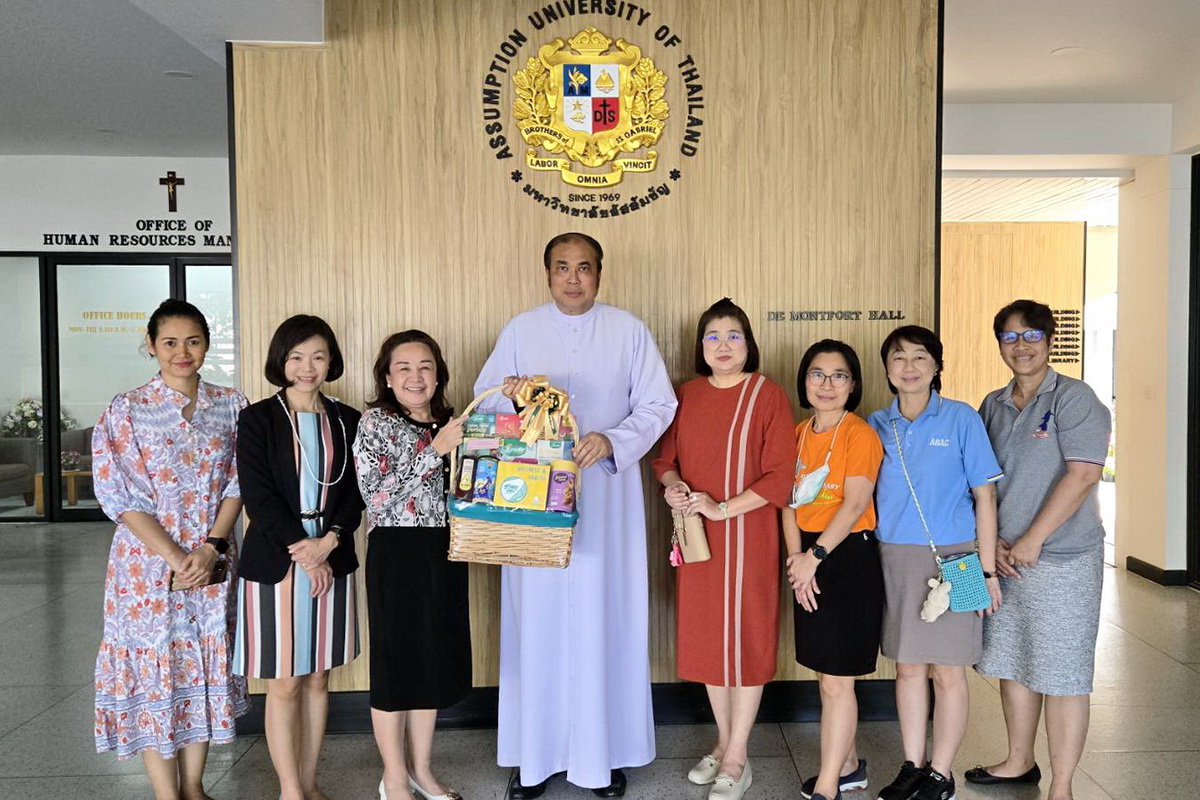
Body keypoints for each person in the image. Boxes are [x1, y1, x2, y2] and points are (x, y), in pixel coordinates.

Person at [474, 232, 677, 799]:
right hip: (533, 499)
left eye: (584, 267)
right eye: (562, 267)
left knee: (603, 617)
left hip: (606, 497)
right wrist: (514, 396)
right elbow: (486, 399)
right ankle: (533, 759)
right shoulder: (521, 330)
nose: (572, 278)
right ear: (547, 274)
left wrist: (613, 440)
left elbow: (659, 404)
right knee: (536, 621)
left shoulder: (628, 330)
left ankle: (603, 756)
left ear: (599, 274)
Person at [92, 299, 249, 800]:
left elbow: (239, 482)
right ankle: (167, 793)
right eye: (170, 342)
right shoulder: (128, 408)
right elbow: (119, 494)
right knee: (156, 668)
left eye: (193, 341)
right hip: (147, 566)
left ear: (206, 344)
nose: (183, 352)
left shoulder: (232, 404)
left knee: (200, 664)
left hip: (213, 558)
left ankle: (195, 787)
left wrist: (210, 547)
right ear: (152, 345)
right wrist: (178, 557)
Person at [652, 298, 794, 800]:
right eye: (712, 336)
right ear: (701, 347)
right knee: (711, 638)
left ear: (748, 343)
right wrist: (672, 486)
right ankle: (725, 741)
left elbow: (781, 474)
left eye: (733, 335)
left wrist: (725, 508)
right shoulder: (686, 395)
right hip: (698, 538)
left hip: (749, 533)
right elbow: (664, 459)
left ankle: (737, 756)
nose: (723, 345)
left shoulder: (767, 394)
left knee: (748, 636)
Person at [969, 300, 1110, 800]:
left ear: (1049, 341)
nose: (1021, 346)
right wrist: (992, 545)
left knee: (1064, 672)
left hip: (1064, 559)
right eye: (1010, 337)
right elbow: (979, 482)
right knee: (1012, 660)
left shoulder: (1074, 397)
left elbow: (1084, 474)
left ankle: (1062, 785)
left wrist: (1033, 539)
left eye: (1031, 335)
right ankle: (1018, 760)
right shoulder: (993, 404)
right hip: (1004, 559)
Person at [867, 325, 1003, 800]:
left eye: (920, 357)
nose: (909, 367)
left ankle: (941, 774)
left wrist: (987, 570)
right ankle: (913, 765)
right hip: (895, 556)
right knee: (907, 668)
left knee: (949, 670)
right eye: (898, 357)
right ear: (887, 369)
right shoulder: (875, 424)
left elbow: (985, 498)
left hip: (958, 558)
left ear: (937, 366)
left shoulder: (961, 418)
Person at [233, 315, 364, 800]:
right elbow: (258, 497)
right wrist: (306, 553)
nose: (307, 367)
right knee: (285, 682)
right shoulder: (258, 419)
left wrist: (329, 541)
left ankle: (310, 782)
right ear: (281, 361)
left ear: (331, 361)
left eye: (318, 356)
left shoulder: (348, 419)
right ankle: (290, 790)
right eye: (296, 357)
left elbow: (356, 493)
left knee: (318, 680)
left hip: (332, 555)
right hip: (277, 561)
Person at [353, 330, 472, 800]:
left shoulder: (451, 422)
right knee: (395, 666)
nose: (415, 376)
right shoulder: (376, 423)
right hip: (396, 551)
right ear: (387, 376)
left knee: (431, 663)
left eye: (425, 367)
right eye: (403, 367)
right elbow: (376, 497)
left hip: (445, 550)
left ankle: (423, 769)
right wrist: (435, 451)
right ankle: (395, 777)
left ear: (438, 374)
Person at [782, 340, 883, 800]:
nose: (827, 384)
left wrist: (815, 557)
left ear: (853, 384)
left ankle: (828, 784)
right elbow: (786, 503)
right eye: (817, 374)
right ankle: (849, 765)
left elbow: (856, 502)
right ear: (804, 381)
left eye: (838, 375)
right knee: (826, 675)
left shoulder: (859, 434)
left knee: (838, 681)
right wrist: (796, 562)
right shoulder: (797, 433)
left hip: (846, 558)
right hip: (806, 558)